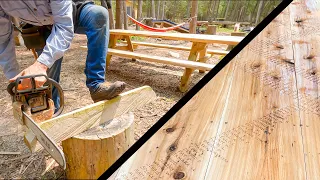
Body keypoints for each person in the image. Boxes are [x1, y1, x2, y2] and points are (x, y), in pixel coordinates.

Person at [0, 0, 126, 112]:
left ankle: (96, 85)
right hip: (39, 26)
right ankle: (52, 111)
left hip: (70, 11)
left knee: (98, 15)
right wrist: (15, 80)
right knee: (48, 79)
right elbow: (3, 39)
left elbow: (63, 27)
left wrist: (41, 64)